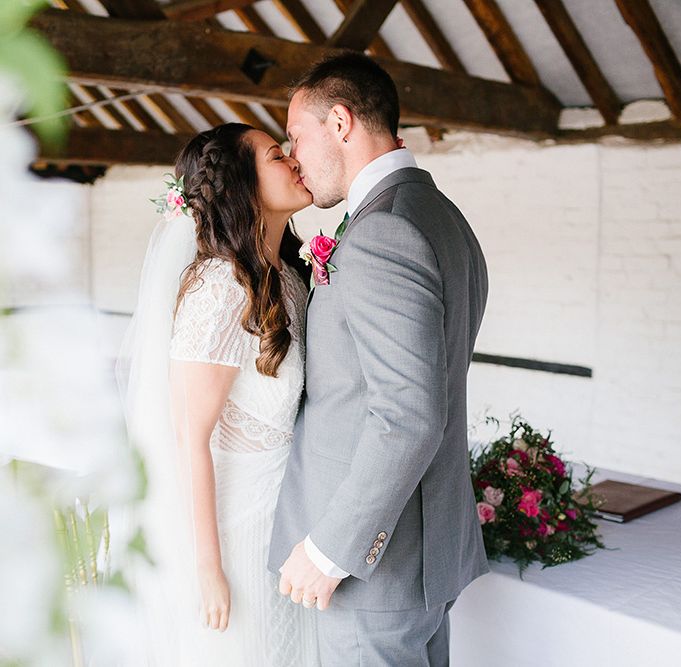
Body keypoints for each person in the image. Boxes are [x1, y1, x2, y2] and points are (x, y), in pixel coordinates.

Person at [268, 52, 490, 665]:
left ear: (340, 123)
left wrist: (329, 550)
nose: (294, 156)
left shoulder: (382, 231)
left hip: (375, 566)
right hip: (419, 551)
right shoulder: (445, 218)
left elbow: (408, 416)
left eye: (296, 136)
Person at [117, 122, 319, 666]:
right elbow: (189, 436)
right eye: (278, 155)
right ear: (242, 185)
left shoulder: (292, 281)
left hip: (287, 517)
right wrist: (209, 567)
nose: (296, 161)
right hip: (237, 525)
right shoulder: (219, 286)